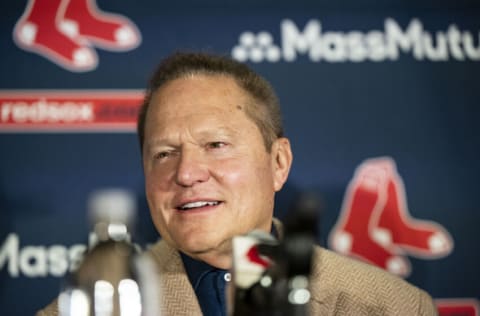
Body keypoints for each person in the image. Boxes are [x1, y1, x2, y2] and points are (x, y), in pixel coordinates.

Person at [37, 52, 437, 316]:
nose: (187, 173)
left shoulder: (392, 307)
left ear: (278, 163)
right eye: (164, 154)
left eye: (216, 145)